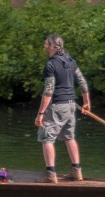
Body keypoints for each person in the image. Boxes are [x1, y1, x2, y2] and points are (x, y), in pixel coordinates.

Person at [35, 33, 91, 183]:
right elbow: (82, 82)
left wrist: (40, 113)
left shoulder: (51, 64)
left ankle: (51, 174)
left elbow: (48, 91)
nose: (45, 46)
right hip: (71, 105)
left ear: (53, 46)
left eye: (46, 44)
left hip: (56, 106)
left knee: (47, 138)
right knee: (69, 137)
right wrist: (87, 102)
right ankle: (76, 172)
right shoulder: (70, 61)